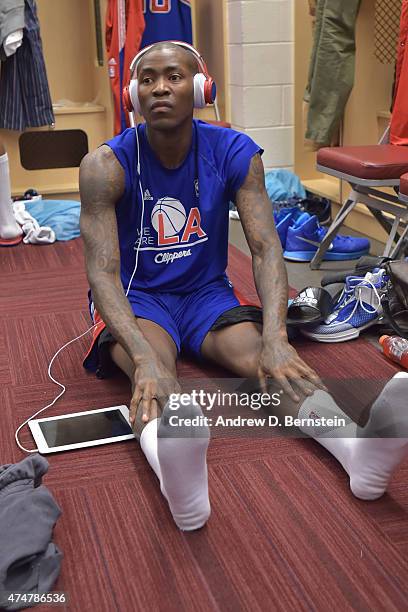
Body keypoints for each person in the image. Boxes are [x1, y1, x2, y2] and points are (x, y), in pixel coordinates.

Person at [79, 41, 408, 532]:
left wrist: (276, 337)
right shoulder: (105, 166)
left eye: (172, 76)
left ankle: (357, 452)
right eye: (147, 79)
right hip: (139, 297)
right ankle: (179, 484)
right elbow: (102, 273)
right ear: (133, 94)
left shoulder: (233, 152)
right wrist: (143, 357)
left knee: (266, 362)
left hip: (206, 295)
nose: (159, 88)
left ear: (199, 87)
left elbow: (266, 249)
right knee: (156, 377)